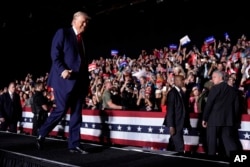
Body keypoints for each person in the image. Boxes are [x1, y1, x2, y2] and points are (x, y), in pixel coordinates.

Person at [36, 11, 91, 154]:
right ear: (74, 21)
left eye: (86, 22)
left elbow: (82, 62)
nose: (85, 24)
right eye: (83, 21)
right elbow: (55, 54)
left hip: (79, 82)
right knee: (61, 110)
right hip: (63, 81)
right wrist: (62, 70)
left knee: (77, 114)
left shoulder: (82, 39)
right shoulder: (63, 33)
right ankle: (42, 132)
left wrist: (86, 82)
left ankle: (74, 144)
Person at [202, 70, 242, 158]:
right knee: (229, 142)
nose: (212, 79)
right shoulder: (233, 90)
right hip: (228, 121)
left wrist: (205, 118)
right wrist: (234, 120)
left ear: (220, 78)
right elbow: (236, 108)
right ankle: (238, 159)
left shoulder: (215, 88)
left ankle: (212, 161)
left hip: (213, 120)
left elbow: (209, 104)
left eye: (214, 77)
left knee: (212, 143)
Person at [162, 75, 191, 154]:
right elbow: (170, 111)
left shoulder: (181, 92)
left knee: (172, 144)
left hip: (180, 122)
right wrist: (171, 126)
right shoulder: (172, 93)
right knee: (180, 146)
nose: (183, 81)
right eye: (182, 80)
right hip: (175, 123)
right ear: (176, 81)